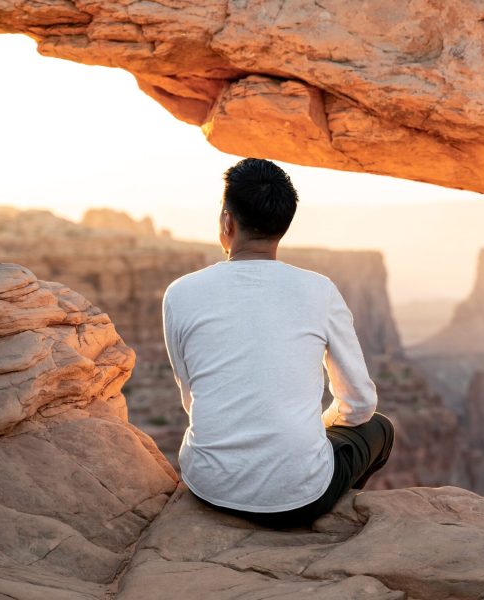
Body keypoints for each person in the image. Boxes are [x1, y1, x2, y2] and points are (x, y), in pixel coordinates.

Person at [161, 158, 394, 529]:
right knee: (379, 427)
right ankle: (331, 519)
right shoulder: (319, 290)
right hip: (299, 500)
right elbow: (360, 404)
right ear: (282, 226)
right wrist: (312, 430)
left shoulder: (179, 293)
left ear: (227, 221)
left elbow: (193, 401)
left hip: (208, 486)